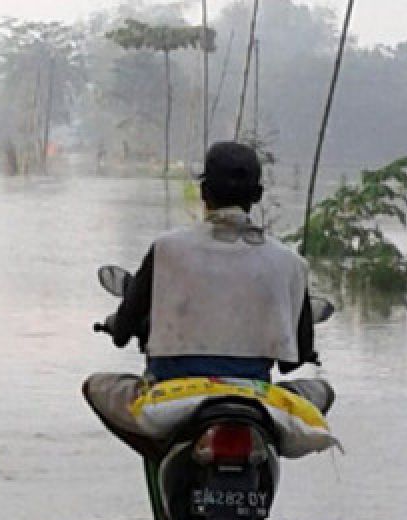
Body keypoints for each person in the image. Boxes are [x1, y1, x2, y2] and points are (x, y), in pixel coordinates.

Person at [83, 140, 332, 460]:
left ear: (204, 192)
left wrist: (122, 329)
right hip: (255, 401)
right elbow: (291, 361)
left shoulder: (166, 249)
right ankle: (264, 453)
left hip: (171, 401)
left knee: (94, 386)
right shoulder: (290, 263)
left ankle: (159, 453)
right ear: (257, 196)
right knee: (323, 391)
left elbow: (122, 332)